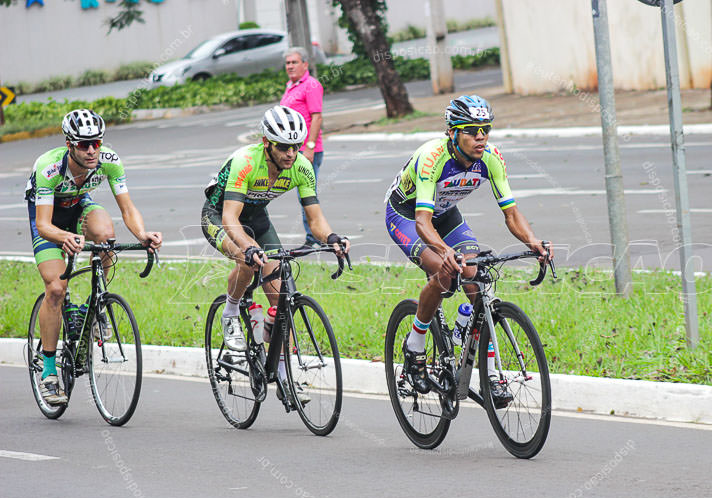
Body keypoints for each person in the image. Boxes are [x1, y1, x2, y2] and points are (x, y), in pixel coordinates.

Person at [384, 95, 553, 408]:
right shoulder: (432, 156)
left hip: (446, 213)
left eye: (485, 129)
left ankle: (485, 369)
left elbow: (512, 214)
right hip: (407, 215)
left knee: (476, 277)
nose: (481, 136)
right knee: (444, 272)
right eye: (471, 130)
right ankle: (415, 342)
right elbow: (422, 221)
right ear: (452, 132)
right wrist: (445, 251)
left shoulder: (490, 158)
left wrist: (534, 242)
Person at [201, 105, 349, 398]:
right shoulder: (246, 161)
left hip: (256, 219)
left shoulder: (301, 167)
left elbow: (315, 219)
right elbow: (231, 219)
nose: (290, 154)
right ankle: (230, 311)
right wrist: (249, 247)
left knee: (282, 296)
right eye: (283, 147)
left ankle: (283, 376)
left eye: (295, 147)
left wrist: (331, 237)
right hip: (220, 217)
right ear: (267, 143)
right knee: (248, 259)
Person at [26, 109, 162, 406]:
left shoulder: (109, 160)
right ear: (69, 144)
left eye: (96, 143)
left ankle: (93, 307)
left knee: (106, 234)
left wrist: (142, 235)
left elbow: (127, 209)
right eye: (84, 145)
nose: (91, 151)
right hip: (49, 219)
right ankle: (49, 372)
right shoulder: (49, 168)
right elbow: (45, 224)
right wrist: (65, 238)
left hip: (78, 206)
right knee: (56, 289)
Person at [280, 46, 325, 249]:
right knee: (302, 193)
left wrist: (310, 147)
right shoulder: (291, 85)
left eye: (294, 62)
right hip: (292, 150)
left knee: (307, 194)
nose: (290, 66)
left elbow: (316, 117)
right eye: (288, 63)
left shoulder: (311, 85)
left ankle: (315, 238)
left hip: (307, 150)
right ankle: (314, 237)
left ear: (305, 64)